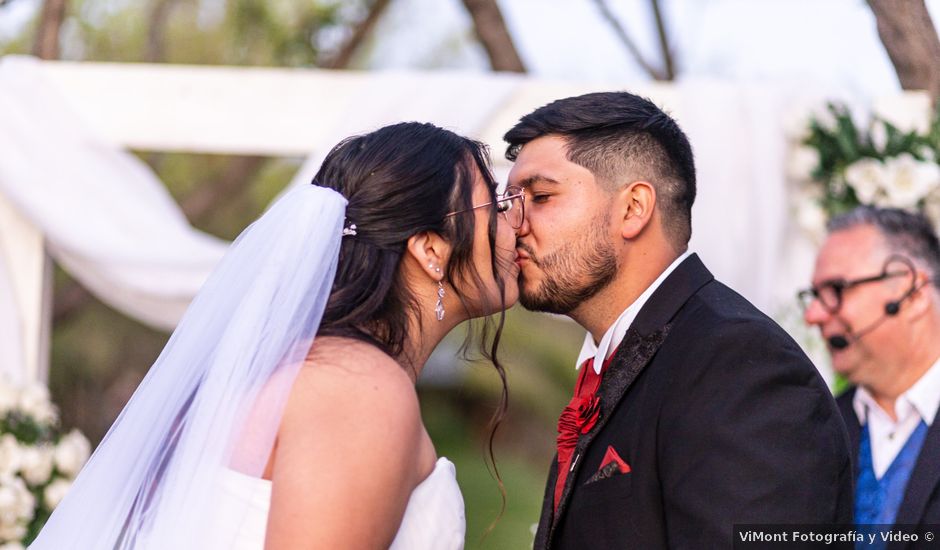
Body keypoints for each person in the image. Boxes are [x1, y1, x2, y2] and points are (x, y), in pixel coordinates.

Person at [30, 122, 525, 549]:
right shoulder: (356, 391)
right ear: (430, 250)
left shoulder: (304, 370)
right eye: (498, 205)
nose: (516, 222)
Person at [503, 91, 853, 549]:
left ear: (633, 209)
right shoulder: (634, 359)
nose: (513, 223)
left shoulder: (740, 366)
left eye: (541, 196)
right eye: (510, 201)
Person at [801, 206, 940, 540]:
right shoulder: (815, 427)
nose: (813, 315)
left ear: (911, 293)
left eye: (835, 290)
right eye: (815, 296)